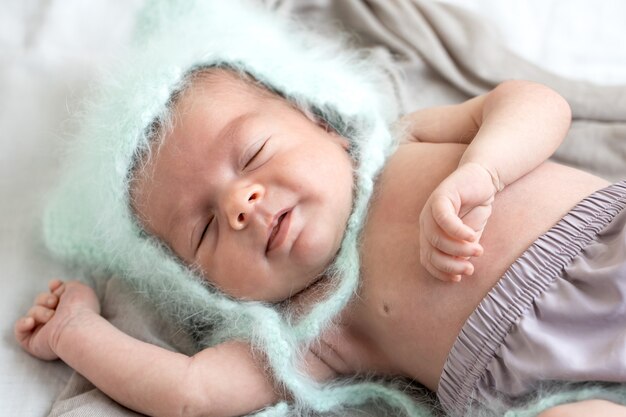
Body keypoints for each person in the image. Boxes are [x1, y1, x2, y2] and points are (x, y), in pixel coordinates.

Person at [14, 68, 626, 417]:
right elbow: (191, 394)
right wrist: (76, 333)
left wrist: (486, 168)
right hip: (551, 390)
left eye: (252, 154)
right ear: (204, 286)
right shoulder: (312, 329)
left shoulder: (405, 141)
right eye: (201, 230)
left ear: (324, 126)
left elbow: (534, 103)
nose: (238, 204)